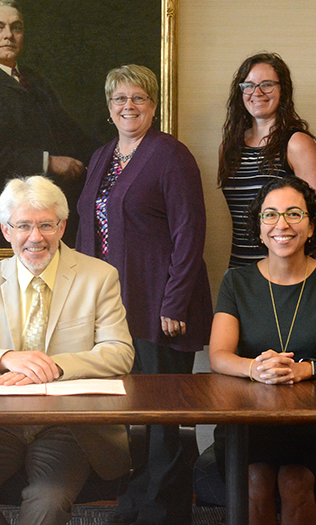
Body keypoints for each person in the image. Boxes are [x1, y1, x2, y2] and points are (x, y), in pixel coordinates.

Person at [0, 176, 135, 525]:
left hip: (68, 423)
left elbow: (120, 352)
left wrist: (53, 366)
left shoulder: (99, 276)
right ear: (5, 230)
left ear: (62, 227)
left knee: (47, 501)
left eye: (46, 225)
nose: (35, 237)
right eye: (24, 226)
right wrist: (6, 358)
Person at [75, 64, 212, 525]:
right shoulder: (102, 156)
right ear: (108, 107)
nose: (128, 106)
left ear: (153, 105)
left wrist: (174, 302)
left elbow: (191, 232)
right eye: (119, 99)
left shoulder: (170, 154)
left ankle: (164, 512)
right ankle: (135, 503)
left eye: (138, 98)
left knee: (162, 417)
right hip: (113, 309)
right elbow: (86, 233)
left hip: (160, 307)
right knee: (127, 412)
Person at [211, 176, 316, 525]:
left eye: (294, 214)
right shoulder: (236, 281)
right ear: (260, 229)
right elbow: (219, 354)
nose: (282, 224)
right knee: (257, 478)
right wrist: (255, 369)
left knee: (294, 481)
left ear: (311, 226)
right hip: (249, 418)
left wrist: (302, 370)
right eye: (271, 215)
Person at [0, 0, 96, 246]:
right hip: (5, 209)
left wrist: (112, 155)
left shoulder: (33, 80)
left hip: (50, 199)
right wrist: (49, 162)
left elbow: (69, 131)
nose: (9, 35)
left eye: (16, 27)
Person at [218, 53, 316, 267]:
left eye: (267, 85)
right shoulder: (229, 147)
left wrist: (294, 265)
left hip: (284, 276)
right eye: (249, 85)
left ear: (283, 90)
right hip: (239, 273)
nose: (257, 92)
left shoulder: (297, 143)